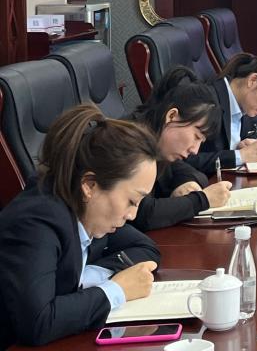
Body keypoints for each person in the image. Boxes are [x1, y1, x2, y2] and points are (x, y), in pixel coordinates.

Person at [0, 105, 162, 347]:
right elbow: (38, 323)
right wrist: (116, 290)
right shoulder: (36, 221)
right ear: (90, 185)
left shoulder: (88, 211)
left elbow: (147, 249)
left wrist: (87, 277)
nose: (132, 215)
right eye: (131, 201)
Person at [129, 68, 233, 230]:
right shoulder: (129, 142)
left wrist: (186, 183)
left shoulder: (160, 143)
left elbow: (195, 174)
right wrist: (202, 200)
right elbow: (142, 213)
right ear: (171, 116)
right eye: (197, 136)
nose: (195, 150)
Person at [190, 52, 257, 171]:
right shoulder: (208, 102)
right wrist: (240, 156)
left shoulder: (243, 106)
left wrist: (253, 143)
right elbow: (186, 161)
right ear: (253, 80)